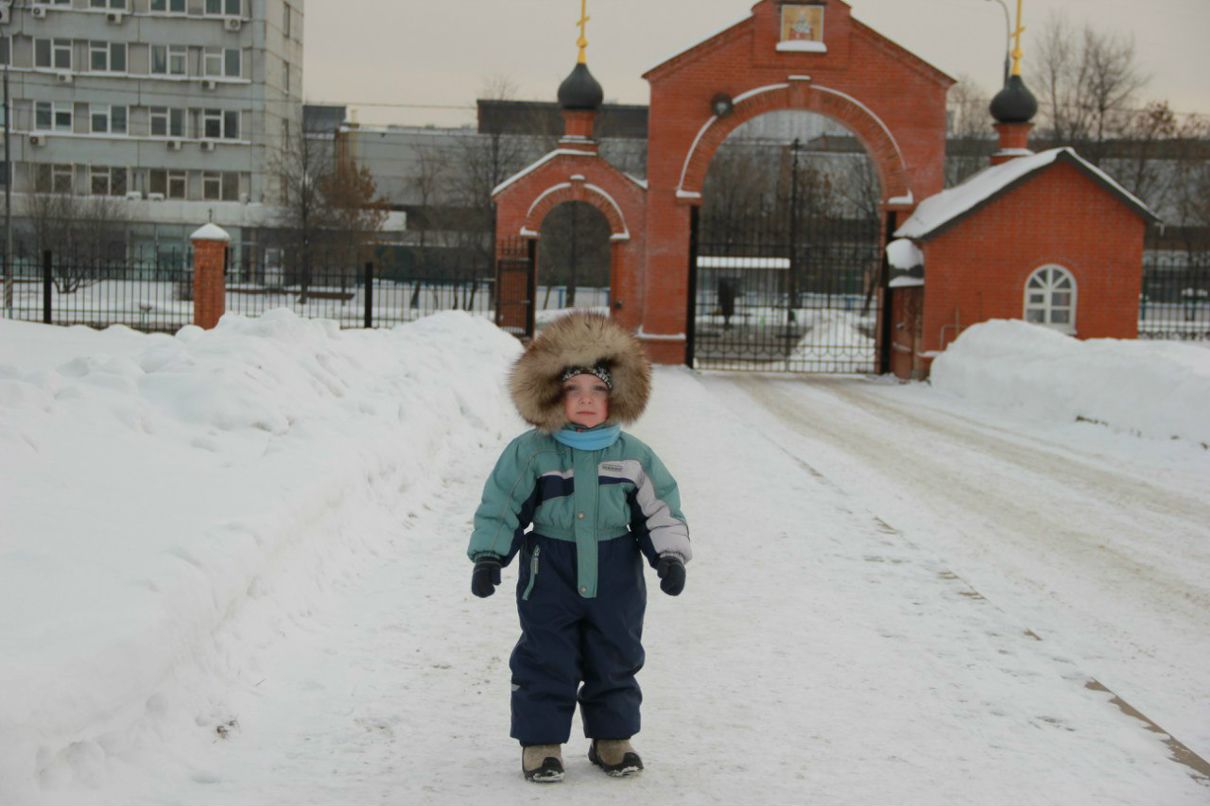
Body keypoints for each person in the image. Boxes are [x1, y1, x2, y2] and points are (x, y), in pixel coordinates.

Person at [467, 311, 692, 783]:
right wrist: (489, 555)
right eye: (574, 390)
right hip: (549, 570)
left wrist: (669, 555)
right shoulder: (532, 452)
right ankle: (541, 743)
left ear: (617, 396)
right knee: (545, 655)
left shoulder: (633, 455)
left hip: (616, 572)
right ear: (554, 394)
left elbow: (660, 507)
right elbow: (502, 504)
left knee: (616, 654)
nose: (586, 399)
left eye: (598, 390)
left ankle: (612, 739)